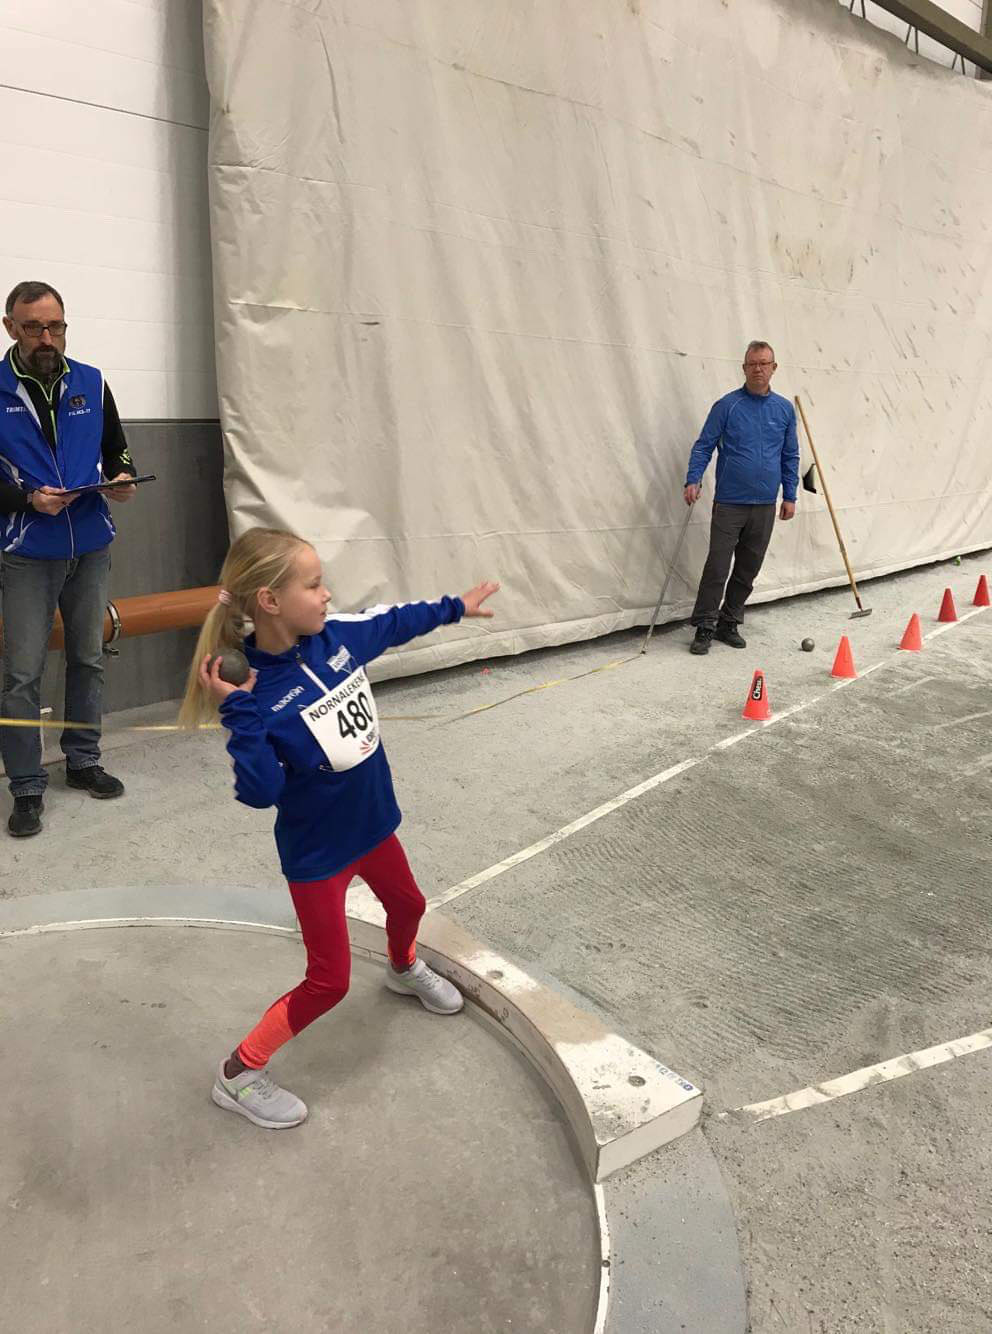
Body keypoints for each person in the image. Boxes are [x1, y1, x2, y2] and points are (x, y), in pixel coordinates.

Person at [179, 527, 500, 1129]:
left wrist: (455, 606)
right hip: (319, 854)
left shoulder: (338, 638)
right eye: (314, 584)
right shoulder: (256, 695)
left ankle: (403, 968)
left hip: (372, 826)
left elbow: (394, 622)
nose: (327, 594)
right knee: (329, 981)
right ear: (270, 601)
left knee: (409, 905)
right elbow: (260, 793)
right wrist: (239, 712)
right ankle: (238, 1073)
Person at [0, 280, 137, 837]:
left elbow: (117, 449)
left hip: (91, 546)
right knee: (21, 675)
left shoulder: (93, 381)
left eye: (55, 326)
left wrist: (123, 478)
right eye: (34, 327)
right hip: (28, 552)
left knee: (89, 658)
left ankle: (82, 760)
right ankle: (26, 785)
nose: (46, 338)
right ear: (11, 327)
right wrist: (27, 500)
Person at [683, 341, 799, 655]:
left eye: (764, 363)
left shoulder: (784, 410)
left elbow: (790, 455)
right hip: (730, 502)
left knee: (748, 568)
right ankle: (705, 625)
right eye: (752, 364)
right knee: (718, 566)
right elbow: (704, 445)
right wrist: (693, 478)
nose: (758, 369)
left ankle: (729, 622)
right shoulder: (727, 406)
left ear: (774, 368)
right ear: (744, 368)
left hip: (765, 504)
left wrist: (790, 495)